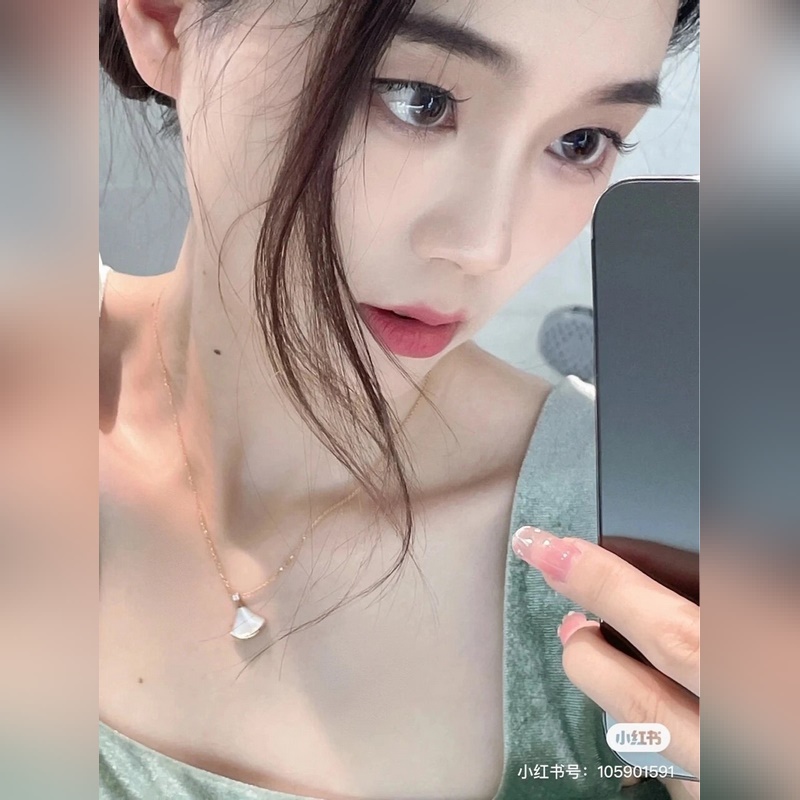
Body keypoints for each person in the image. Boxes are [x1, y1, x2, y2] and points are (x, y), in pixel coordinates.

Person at [99, 1, 700, 798]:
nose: (484, 245)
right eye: (419, 100)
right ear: (168, 18)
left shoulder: (625, 565)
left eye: (581, 141)